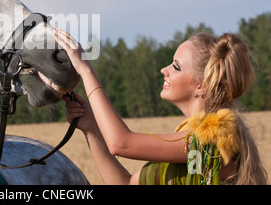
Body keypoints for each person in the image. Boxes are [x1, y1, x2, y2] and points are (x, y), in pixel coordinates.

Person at [55, 28, 268, 185]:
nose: (164, 70)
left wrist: (86, 71)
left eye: (176, 66)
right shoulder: (185, 146)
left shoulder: (211, 139)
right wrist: (91, 128)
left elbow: (121, 143)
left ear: (201, 86)